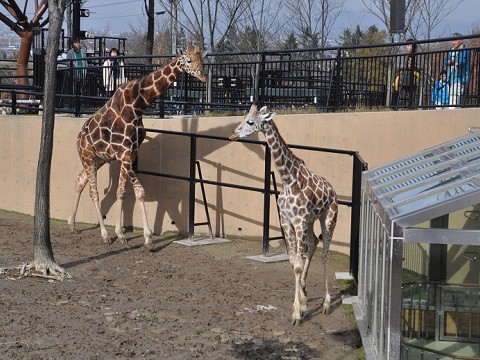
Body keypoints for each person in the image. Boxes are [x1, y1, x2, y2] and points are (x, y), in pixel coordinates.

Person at [445, 33, 471, 108]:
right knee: (452, 95)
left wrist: (455, 62)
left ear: (461, 41)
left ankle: (452, 113)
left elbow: (462, 60)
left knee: (455, 94)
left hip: (460, 77)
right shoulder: (451, 50)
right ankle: (454, 111)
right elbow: (446, 61)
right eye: (452, 40)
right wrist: (451, 61)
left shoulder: (465, 49)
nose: (453, 42)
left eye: (455, 40)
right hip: (451, 76)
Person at [392, 39, 420, 108]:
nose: (409, 47)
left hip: (413, 78)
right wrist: (405, 66)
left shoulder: (418, 56)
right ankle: (399, 107)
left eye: (411, 46)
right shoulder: (403, 55)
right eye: (408, 46)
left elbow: (422, 66)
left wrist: (414, 66)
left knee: (412, 97)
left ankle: (411, 108)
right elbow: (397, 66)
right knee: (401, 95)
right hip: (403, 78)